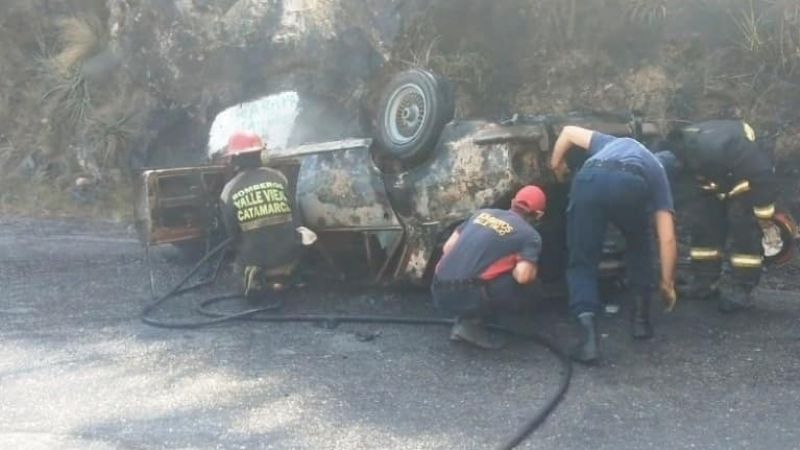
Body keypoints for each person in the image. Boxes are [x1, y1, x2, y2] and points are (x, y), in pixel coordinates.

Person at [550, 126, 677, 364]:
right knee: (640, 246)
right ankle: (641, 322)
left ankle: (588, 341)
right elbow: (667, 238)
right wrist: (667, 284)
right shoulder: (657, 171)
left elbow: (566, 131)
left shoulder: (611, 142)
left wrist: (557, 165)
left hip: (589, 180)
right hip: (631, 186)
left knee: (582, 260)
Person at [660, 120, 779, 312]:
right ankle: (704, 282)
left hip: (746, 181)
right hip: (712, 181)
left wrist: (765, 220)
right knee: (703, 224)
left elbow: (763, 179)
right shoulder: (672, 153)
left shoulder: (728, 149)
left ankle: (742, 288)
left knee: (743, 229)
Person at [431, 185, 547, 349]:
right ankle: (473, 324)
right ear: (539, 214)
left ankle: (466, 318)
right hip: (467, 295)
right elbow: (523, 276)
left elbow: (447, 248)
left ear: (513, 201)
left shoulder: (482, 214)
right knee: (532, 286)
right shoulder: (530, 236)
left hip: (438, 289)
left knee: (483, 274)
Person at [219, 131, 316, 302]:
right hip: (289, 256)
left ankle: (253, 278)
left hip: (256, 260)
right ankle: (290, 277)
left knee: (236, 267)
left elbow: (232, 235)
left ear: (234, 160)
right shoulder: (279, 178)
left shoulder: (229, 190)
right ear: (260, 154)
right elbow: (296, 217)